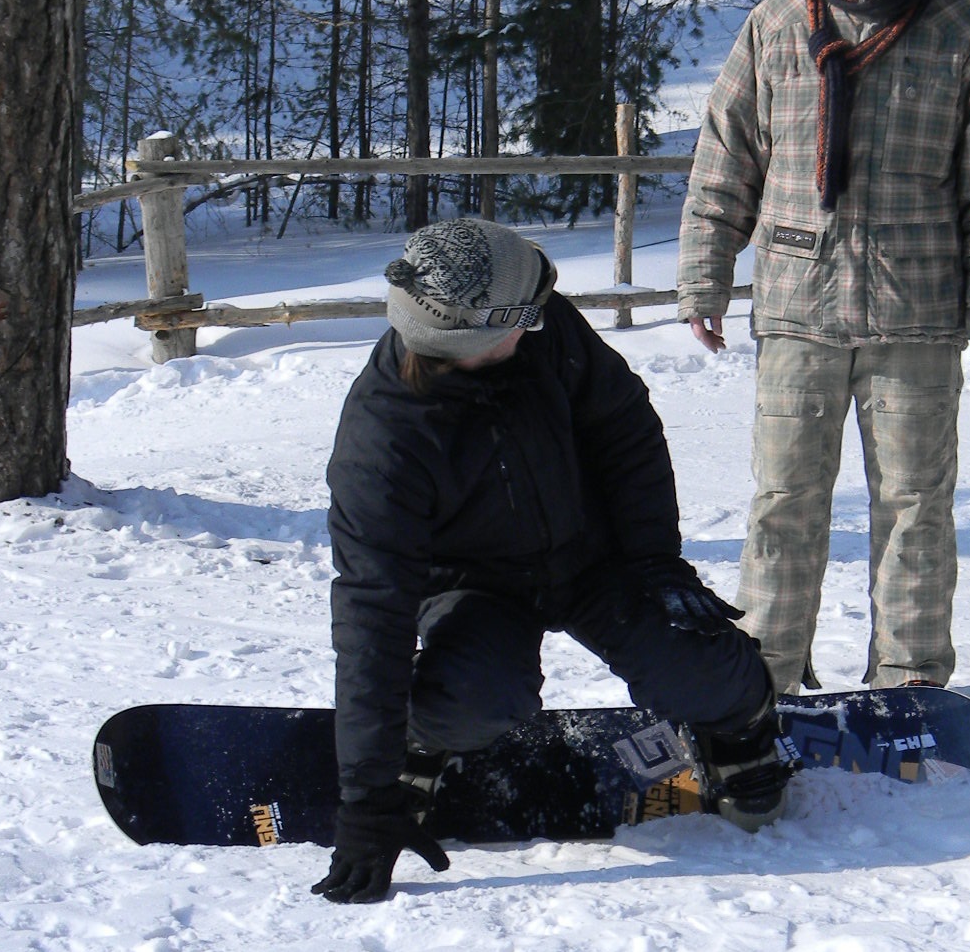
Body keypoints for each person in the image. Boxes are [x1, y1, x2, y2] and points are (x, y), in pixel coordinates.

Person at [314, 216, 789, 904]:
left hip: (595, 559)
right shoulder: (382, 441)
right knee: (476, 698)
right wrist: (367, 795)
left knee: (701, 670)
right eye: (526, 316)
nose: (541, 319)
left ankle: (740, 728)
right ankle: (423, 743)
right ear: (475, 334)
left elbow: (625, 430)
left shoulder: (539, 325)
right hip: (476, 587)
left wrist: (654, 560)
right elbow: (370, 613)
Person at [676, 0, 970, 695]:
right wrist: (704, 278)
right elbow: (725, 159)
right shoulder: (776, 24)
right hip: (797, 307)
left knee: (916, 508)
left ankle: (909, 680)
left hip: (918, 313)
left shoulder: (957, 29)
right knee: (783, 503)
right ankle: (763, 677)